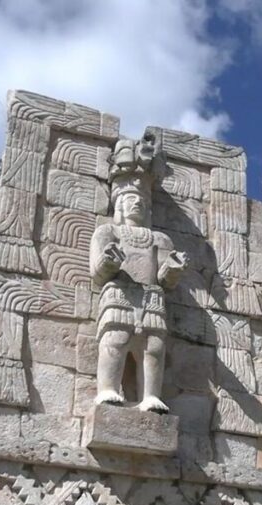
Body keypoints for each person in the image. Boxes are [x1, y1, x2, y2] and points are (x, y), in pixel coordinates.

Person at [88, 136, 187, 413]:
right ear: (119, 204)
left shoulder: (160, 239)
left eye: (142, 200)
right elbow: (97, 273)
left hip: (152, 298)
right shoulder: (108, 232)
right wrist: (109, 262)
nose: (137, 204)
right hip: (118, 294)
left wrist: (173, 269)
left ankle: (151, 395)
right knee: (115, 339)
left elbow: (165, 280)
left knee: (153, 346)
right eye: (131, 199)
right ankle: (107, 389)